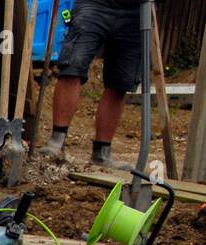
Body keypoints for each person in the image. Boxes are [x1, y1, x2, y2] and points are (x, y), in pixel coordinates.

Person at [40, 0, 148, 167]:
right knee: (72, 66)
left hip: (137, 11)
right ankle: (56, 142)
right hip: (94, 4)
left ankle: (101, 154)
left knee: (119, 84)